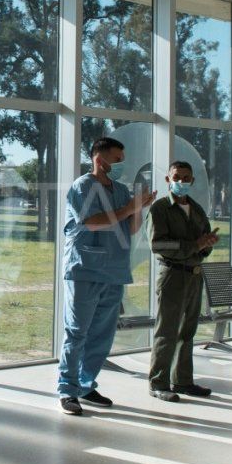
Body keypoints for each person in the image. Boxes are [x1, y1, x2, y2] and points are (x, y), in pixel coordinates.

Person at [59, 137, 155, 416]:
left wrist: (140, 207)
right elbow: (91, 222)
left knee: (101, 335)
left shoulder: (121, 190)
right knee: (77, 332)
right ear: (100, 160)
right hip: (84, 268)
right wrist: (129, 208)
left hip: (113, 270)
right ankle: (67, 390)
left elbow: (131, 228)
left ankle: (86, 385)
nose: (121, 165)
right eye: (117, 160)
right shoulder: (82, 186)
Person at [146, 161, 218, 402]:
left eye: (186, 178)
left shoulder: (196, 209)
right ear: (168, 179)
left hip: (194, 275)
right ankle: (158, 383)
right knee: (167, 331)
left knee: (188, 331)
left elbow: (203, 241)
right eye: (177, 177)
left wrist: (206, 244)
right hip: (173, 275)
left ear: (192, 181)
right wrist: (194, 245)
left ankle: (183, 381)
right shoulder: (160, 208)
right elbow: (158, 244)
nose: (181, 181)